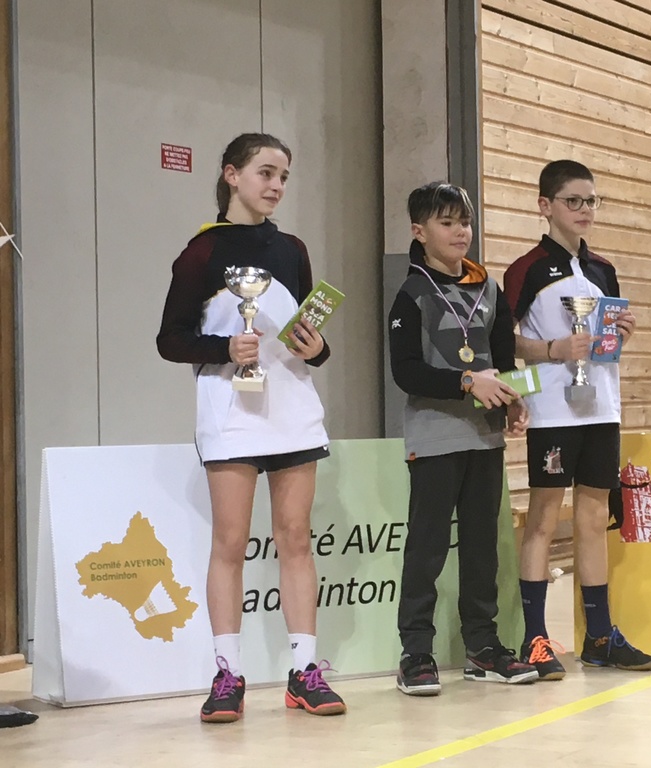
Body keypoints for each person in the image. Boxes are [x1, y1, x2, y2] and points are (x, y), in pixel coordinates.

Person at [157, 133, 346, 722]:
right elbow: (169, 340)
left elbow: (307, 333)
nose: (276, 185)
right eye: (265, 172)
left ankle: (304, 672)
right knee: (230, 542)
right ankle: (227, 675)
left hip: (293, 412)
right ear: (231, 175)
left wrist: (317, 349)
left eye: (284, 176)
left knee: (296, 538)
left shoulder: (292, 249)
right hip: (231, 414)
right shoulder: (200, 253)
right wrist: (223, 347)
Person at [502, 160, 651, 678]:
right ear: (545, 206)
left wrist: (620, 335)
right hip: (552, 412)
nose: (584, 210)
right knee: (544, 520)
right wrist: (552, 349)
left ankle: (600, 637)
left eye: (591, 201)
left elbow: (605, 341)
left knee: (593, 520)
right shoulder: (526, 270)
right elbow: (504, 341)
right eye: (574, 200)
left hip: (602, 409)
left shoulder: (603, 269)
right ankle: (535, 638)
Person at [388, 181, 538, 695]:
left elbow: (505, 361)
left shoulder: (488, 289)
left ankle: (483, 647)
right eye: (447, 222)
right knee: (427, 547)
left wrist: (515, 400)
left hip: (485, 439)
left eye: (465, 222)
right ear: (419, 231)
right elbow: (406, 372)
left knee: (481, 548)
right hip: (434, 439)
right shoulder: (412, 293)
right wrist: (466, 381)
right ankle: (416, 653)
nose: (460, 232)